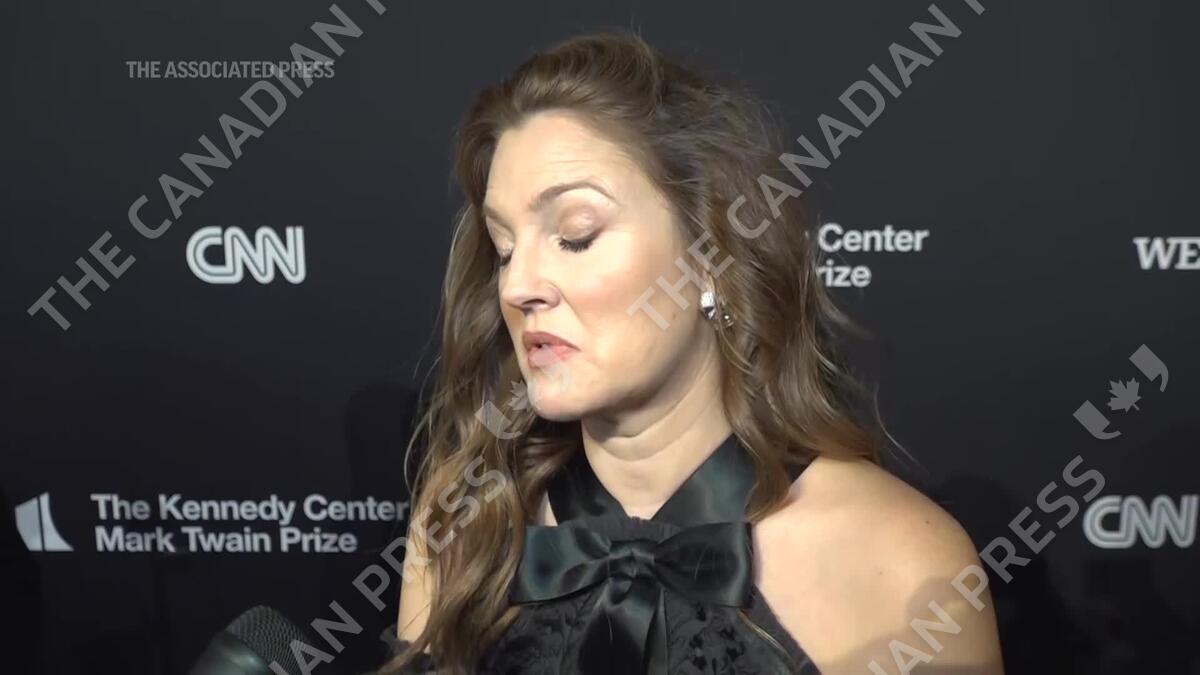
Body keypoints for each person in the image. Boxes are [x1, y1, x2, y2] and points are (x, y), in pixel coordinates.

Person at [383, 30, 1003, 675]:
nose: (517, 286)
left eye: (575, 235)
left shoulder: (898, 559)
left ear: (711, 256)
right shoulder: (467, 523)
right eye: (505, 249)